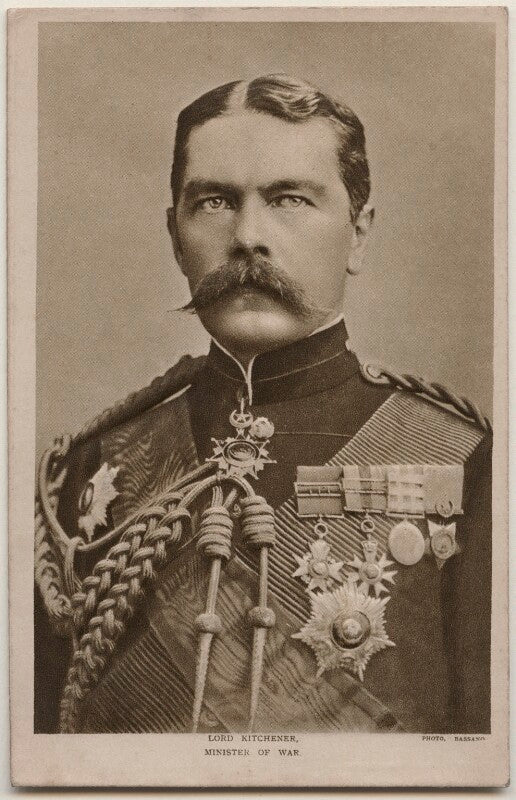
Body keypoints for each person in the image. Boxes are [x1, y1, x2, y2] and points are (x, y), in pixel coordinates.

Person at [34, 74, 491, 735]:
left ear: (359, 233)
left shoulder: (465, 461)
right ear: (174, 235)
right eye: (214, 202)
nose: (248, 235)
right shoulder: (93, 467)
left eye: (290, 199)